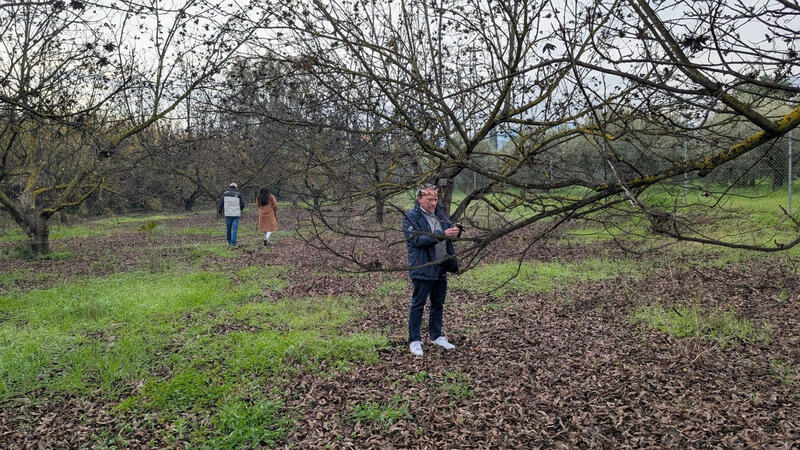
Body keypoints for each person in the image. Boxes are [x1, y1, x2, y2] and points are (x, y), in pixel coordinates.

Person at [403, 183, 461, 357]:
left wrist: (456, 231)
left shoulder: (440, 214)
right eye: (429, 199)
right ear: (420, 199)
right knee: (418, 304)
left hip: (441, 265)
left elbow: (449, 232)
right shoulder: (411, 216)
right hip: (423, 266)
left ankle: (436, 336)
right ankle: (414, 340)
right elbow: (417, 239)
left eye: (435, 199)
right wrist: (443, 234)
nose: (433, 203)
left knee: (438, 303)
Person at [218, 182, 245, 247]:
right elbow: (243, 205)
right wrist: (239, 209)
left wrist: (219, 211)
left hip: (228, 214)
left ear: (229, 187)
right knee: (234, 229)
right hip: (236, 215)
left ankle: (228, 241)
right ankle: (233, 244)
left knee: (228, 229)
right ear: (236, 187)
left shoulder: (225, 194)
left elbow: (221, 204)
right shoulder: (238, 194)